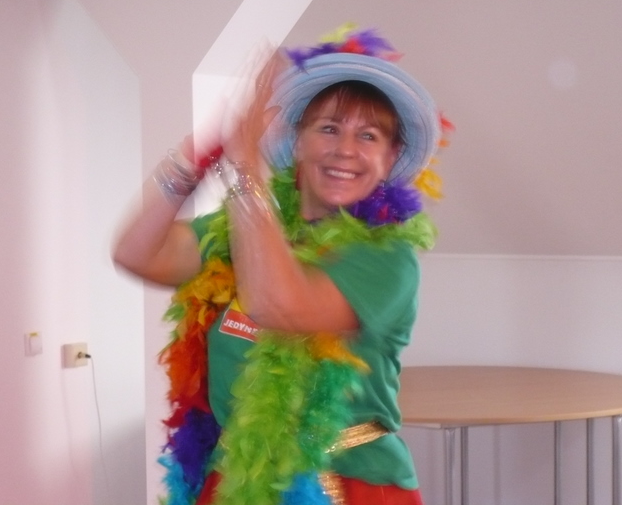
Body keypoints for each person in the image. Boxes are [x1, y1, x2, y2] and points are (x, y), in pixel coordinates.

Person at [112, 25, 449, 505]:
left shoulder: (386, 257)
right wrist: (195, 158)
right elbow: (137, 253)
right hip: (238, 480)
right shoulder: (240, 229)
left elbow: (277, 304)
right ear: (298, 140)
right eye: (328, 128)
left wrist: (245, 168)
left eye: (368, 135)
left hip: (343, 486)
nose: (345, 150)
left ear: (391, 156)